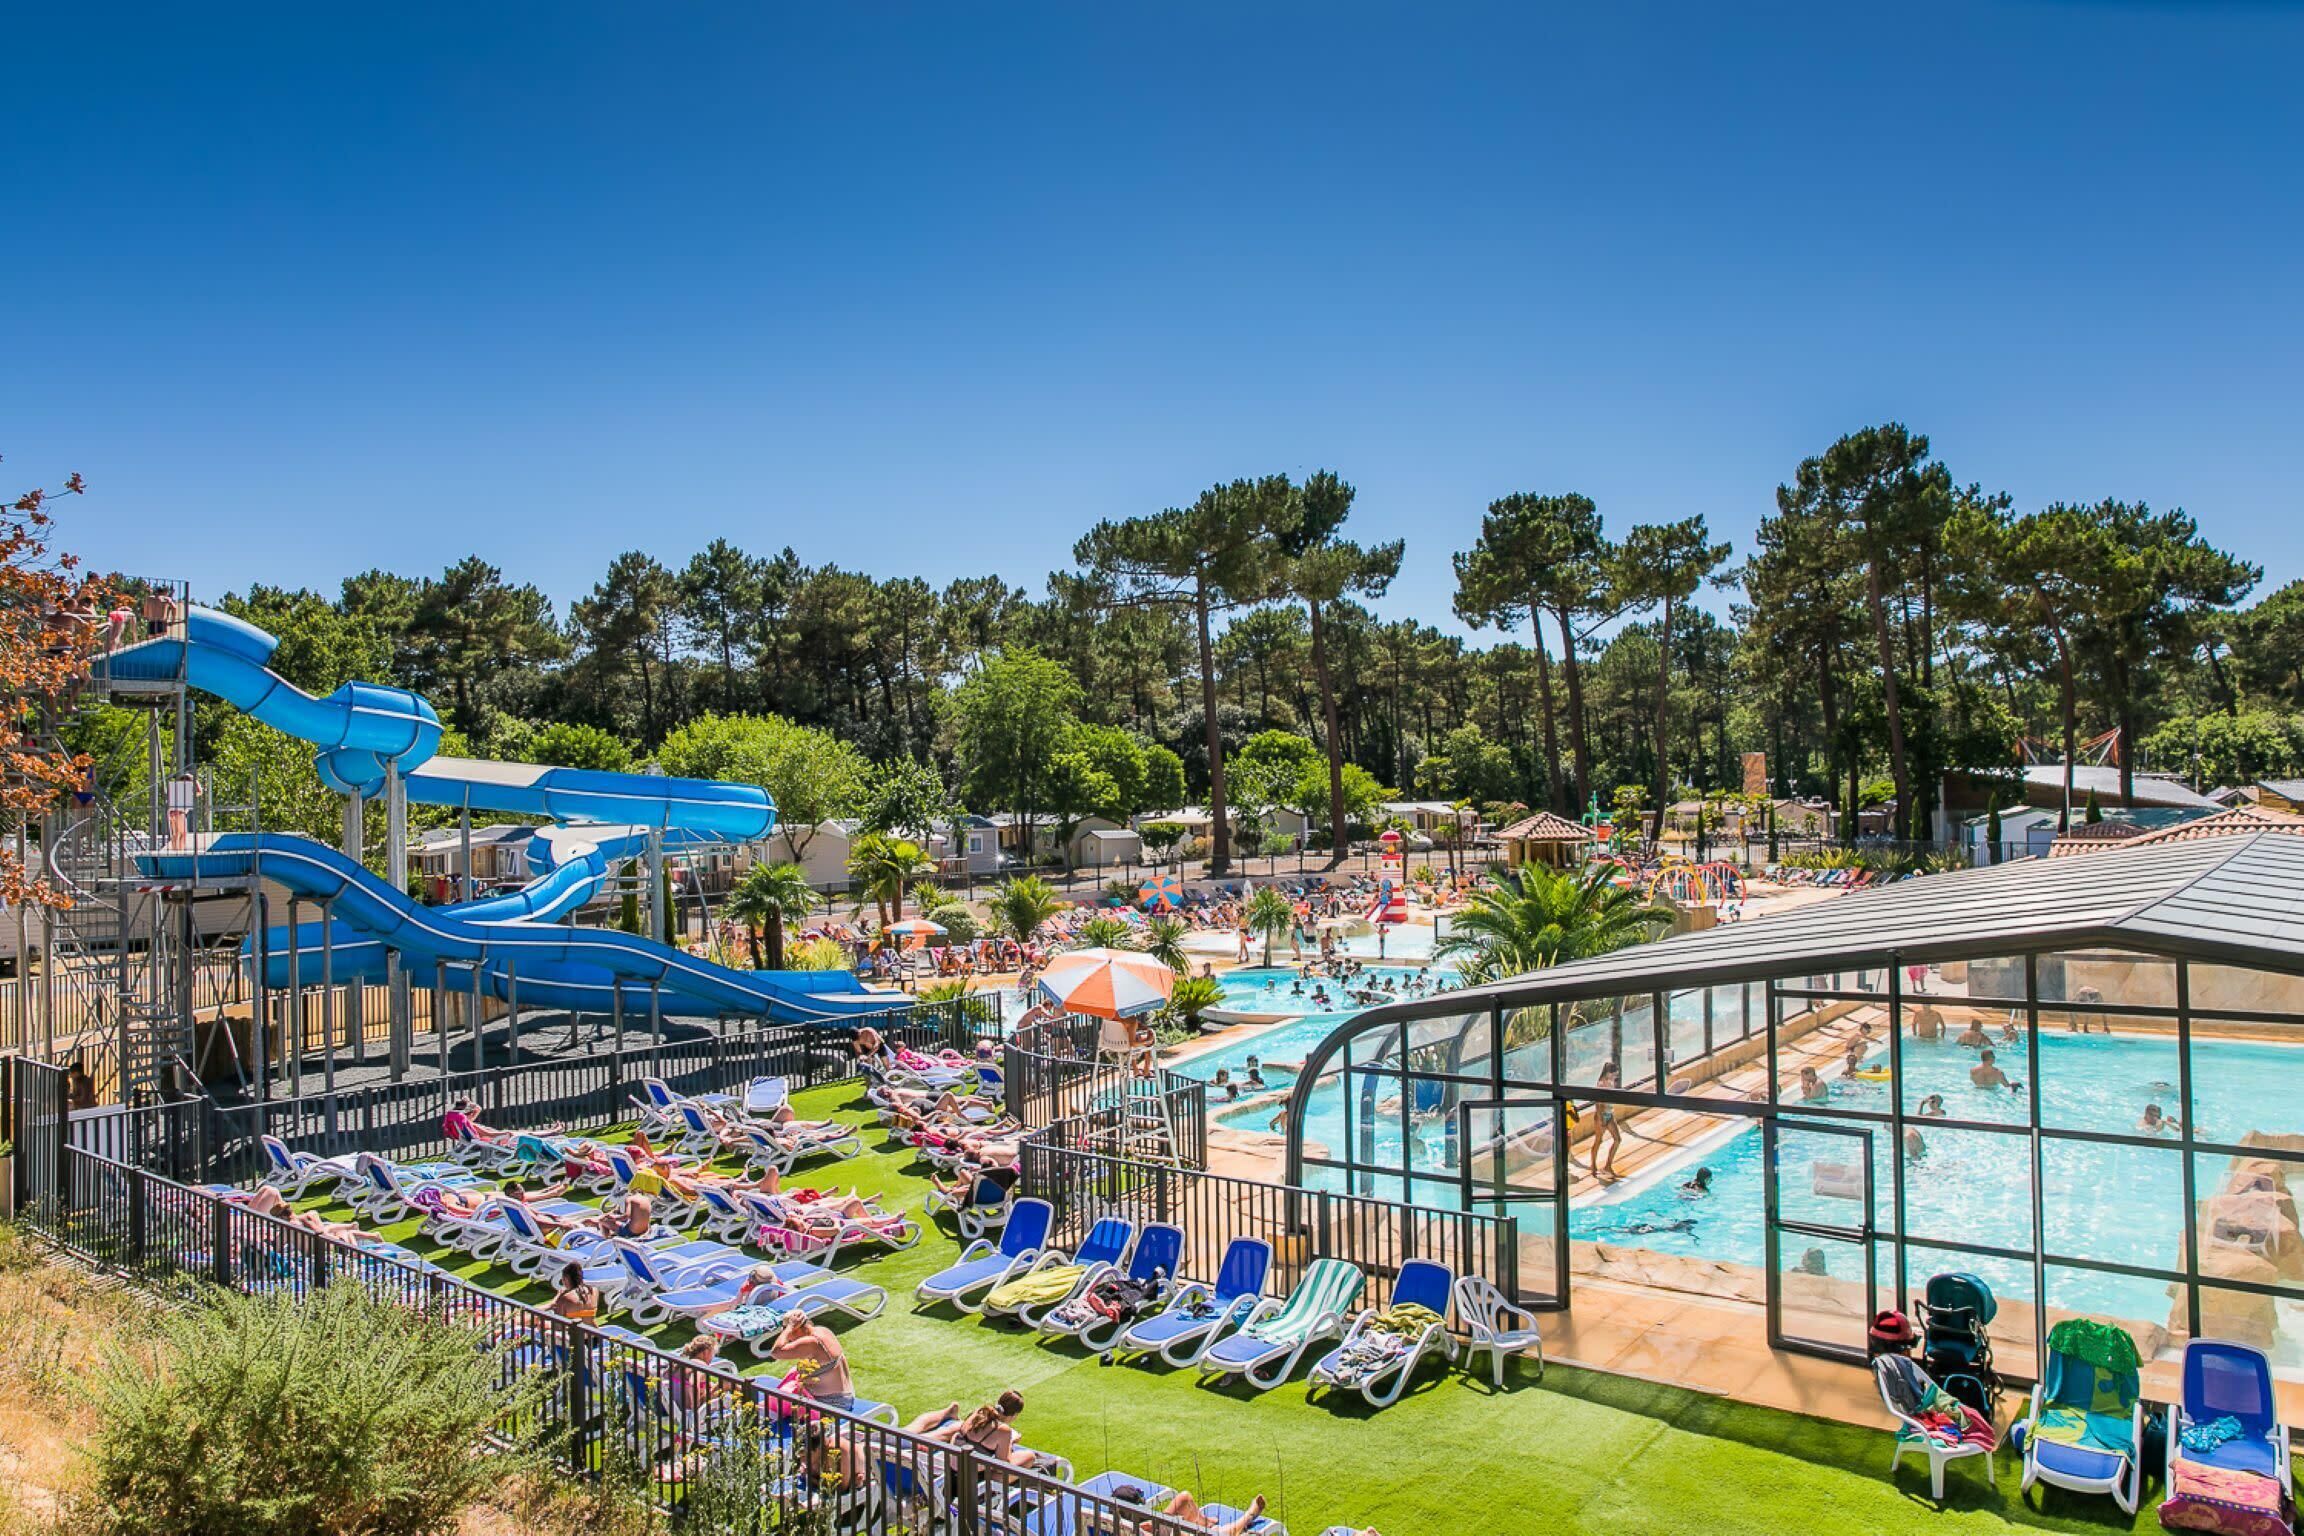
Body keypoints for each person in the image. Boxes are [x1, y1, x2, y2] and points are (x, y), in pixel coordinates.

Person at [767, 1309, 855, 1412]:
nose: (783, 1332)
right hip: (845, 1397)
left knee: (771, 1408)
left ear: (796, 1327)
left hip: (831, 1404)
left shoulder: (811, 1342)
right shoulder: (822, 1330)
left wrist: (789, 1327)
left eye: (784, 1328)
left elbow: (776, 1352)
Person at [1106, 1484, 1270, 1535]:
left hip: (1153, 1529)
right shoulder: (1146, 1531)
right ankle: (1249, 1516)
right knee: (1220, 1534)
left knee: (1184, 1498)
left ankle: (1205, 1522)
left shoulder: (1105, 1525)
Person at [1583, 1061, 1623, 1180]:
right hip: (1602, 1115)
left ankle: (1608, 1165)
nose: (1616, 1076)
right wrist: (1601, 1119)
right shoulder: (1601, 1084)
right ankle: (1593, 1165)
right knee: (1598, 1141)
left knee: (1617, 1139)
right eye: (1614, 1073)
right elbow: (1598, 1103)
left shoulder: (1611, 1082)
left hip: (1610, 1114)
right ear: (1608, 1073)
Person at [165, 771, 196, 850]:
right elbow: (200, 791)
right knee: (183, 833)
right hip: (179, 812)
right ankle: (180, 850)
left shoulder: (176, 789)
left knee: (176, 833)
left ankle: (175, 850)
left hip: (172, 812)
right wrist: (195, 780)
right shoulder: (187, 790)